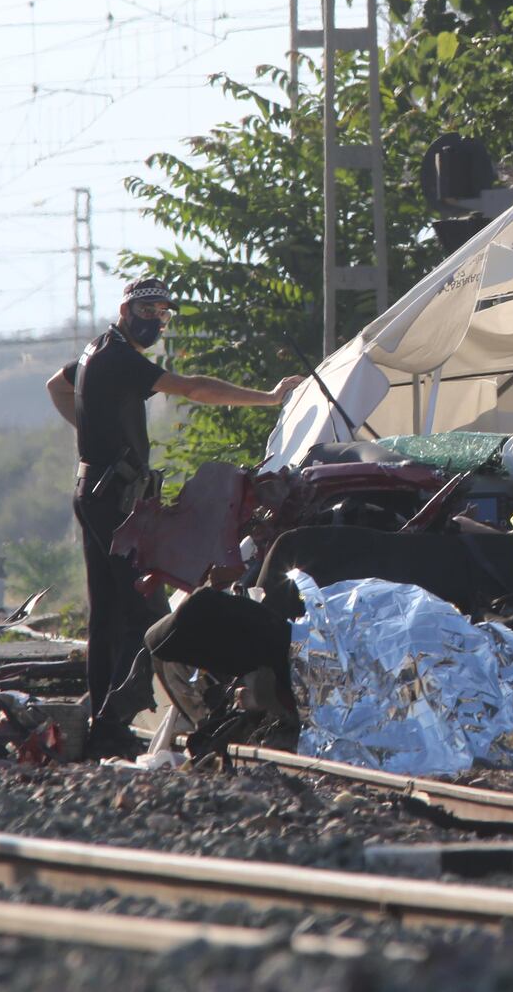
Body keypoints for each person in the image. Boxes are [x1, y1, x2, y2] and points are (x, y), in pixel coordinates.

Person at [46, 278, 301, 760]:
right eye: (148, 309)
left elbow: (57, 387)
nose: (156, 320)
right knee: (143, 612)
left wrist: (93, 429)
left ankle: (104, 723)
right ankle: (118, 720)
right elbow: (194, 389)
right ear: (126, 309)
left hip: (97, 489)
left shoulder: (96, 351)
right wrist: (270, 398)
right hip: (114, 496)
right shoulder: (119, 357)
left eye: (164, 314)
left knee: (106, 614)